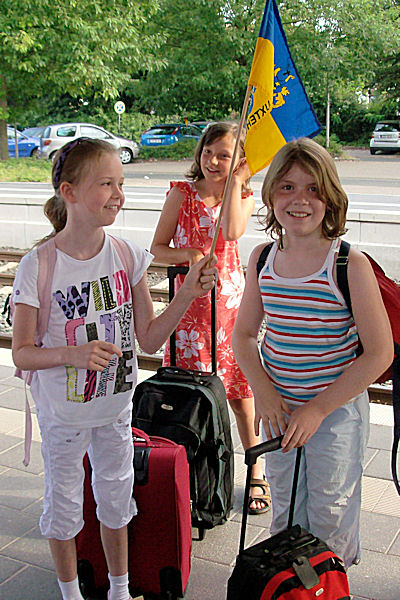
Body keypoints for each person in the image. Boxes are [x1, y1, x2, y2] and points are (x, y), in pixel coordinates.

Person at [11, 138, 217, 600]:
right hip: (64, 415)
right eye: (106, 184)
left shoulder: (126, 256)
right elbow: (22, 353)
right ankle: (71, 594)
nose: (118, 194)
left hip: (116, 408)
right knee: (64, 505)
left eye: (120, 183)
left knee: (117, 499)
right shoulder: (38, 265)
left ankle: (120, 591)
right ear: (69, 192)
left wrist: (187, 293)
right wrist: (72, 355)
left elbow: (149, 339)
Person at [232, 137, 393, 568]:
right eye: (287, 187)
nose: (299, 199)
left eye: (313, 189)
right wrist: (264, 392)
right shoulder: (263, 258)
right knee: (286, 514)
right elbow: (243, 335)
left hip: (334, 415)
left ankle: (329, 588)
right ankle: (291, 589)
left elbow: (379, 353)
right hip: (280, 412)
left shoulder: (347, 264)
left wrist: (318, 409)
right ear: (271, 195)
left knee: (329, 516)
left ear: (330, 198)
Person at [150, 121, 270, 514]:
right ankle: (188, 472)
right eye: (208, 152)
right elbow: (157, 248)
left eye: (224, 155)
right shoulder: (181, 194)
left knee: (240, 397)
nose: (213, 161)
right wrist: (188, 254)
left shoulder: (244, 196)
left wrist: (236, 183)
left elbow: (232, 232)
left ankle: (255, 471)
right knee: (189, 395)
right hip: (188, 311)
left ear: (241, 161)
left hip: (230, 308)